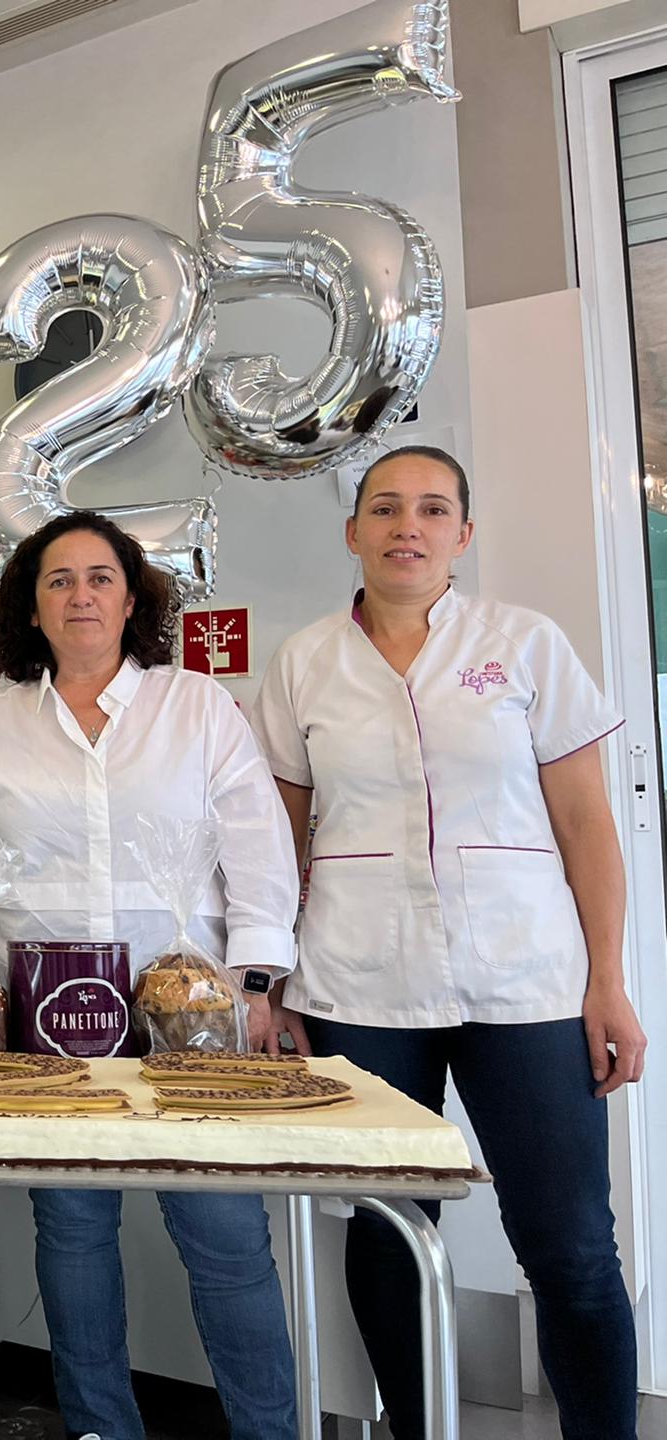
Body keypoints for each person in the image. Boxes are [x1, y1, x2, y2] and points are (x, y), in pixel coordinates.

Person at [250, 445, 644, 1440]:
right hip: (359, 983)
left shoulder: (525, 644)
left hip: (527, 984)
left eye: (432, 510)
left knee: (570, 1247)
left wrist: (610, 981)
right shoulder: (304, 662)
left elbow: (590, 823)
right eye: (384, 509)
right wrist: (272, 982)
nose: (406, 527)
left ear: (464, 535)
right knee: (388, 1234)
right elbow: (277, 838)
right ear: (353, 534)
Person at [0, 510, 301, 1440]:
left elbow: (258, 849)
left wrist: (256, 989)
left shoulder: (197, 707)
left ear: (132, 598)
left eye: (100, 577)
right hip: (50, 1022)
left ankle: (269, 1431)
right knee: (74, 1232)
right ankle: (102, 1427)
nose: (81, 595)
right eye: (58, 580)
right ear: (31, 605)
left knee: (224, 1239)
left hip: (193, 1016)